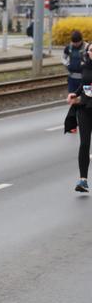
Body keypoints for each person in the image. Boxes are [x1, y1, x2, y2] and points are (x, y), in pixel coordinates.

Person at [66, 42, 92, 193]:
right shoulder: (86, 66)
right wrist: (74, 94)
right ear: (88, 52)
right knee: (84, 144)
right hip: (85, 108)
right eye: (91, 50)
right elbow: (84, 84)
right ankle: (83, 180)